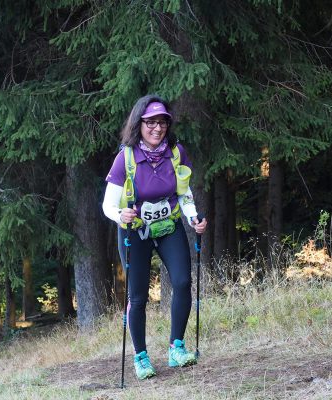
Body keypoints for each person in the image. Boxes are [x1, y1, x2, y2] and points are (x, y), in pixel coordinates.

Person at [102, 94, 207, 380]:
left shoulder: (176, 153)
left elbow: (183, 193)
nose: (157, 128)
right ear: (139, 124)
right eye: (150, 122)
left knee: (183, 282)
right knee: (137, 297)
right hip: (135, 233)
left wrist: (193, 217)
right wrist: (119, 215)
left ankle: (177, 348)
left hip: (169, 227)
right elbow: (108, 205)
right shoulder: (125, 158)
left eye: (162, 122)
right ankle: (141, 357)